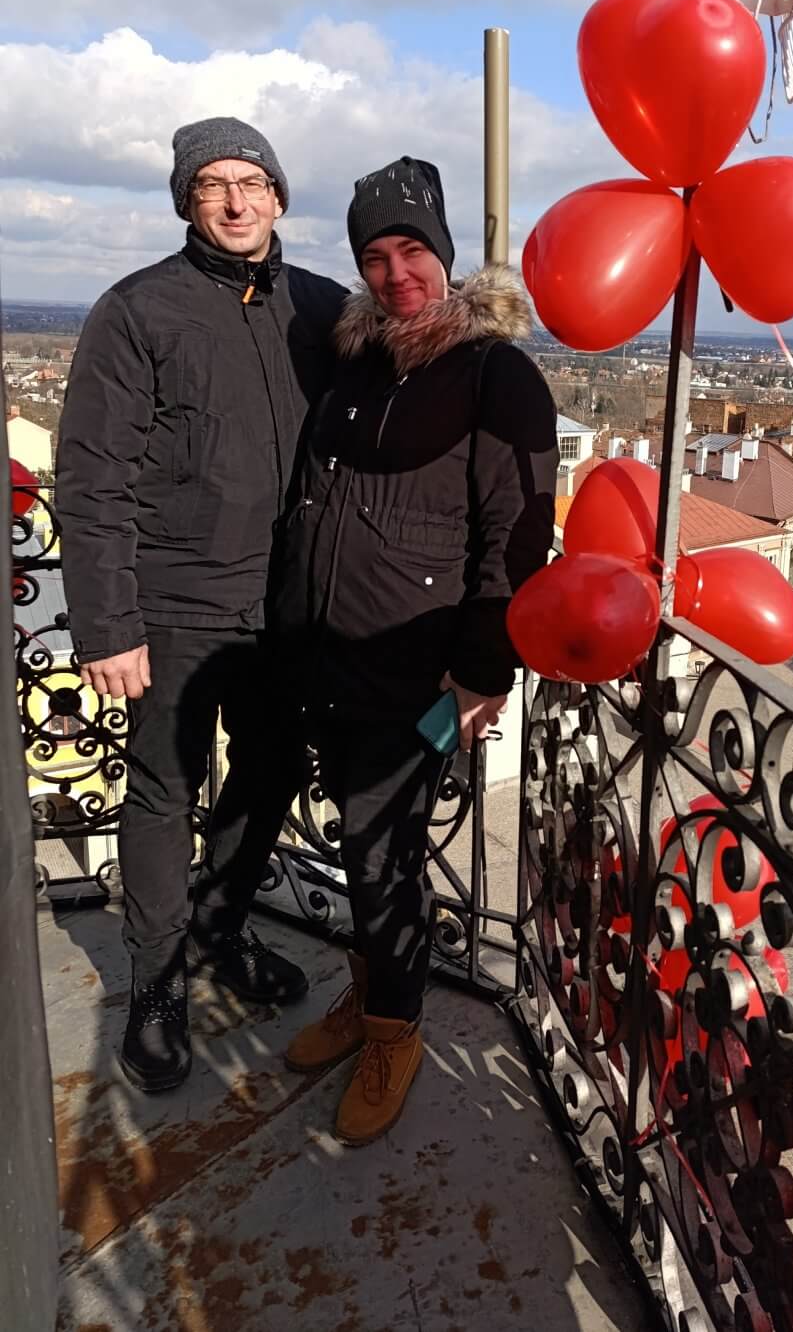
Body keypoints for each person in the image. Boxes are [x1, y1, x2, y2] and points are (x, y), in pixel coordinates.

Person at [56, 118, 348, 1092]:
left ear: (278, 197)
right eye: (213, 184)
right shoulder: (138, 311)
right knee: (160, 794)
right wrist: (109, 626)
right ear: (187, 200)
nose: (233, 201)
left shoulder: (322, 308)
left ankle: (222, 932)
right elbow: (91, 478)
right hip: (172, 605)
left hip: (285, 612)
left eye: (251, 182)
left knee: (263, 782)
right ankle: (158, 984)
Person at [275, 156, 557, 1147]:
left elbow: (516, 531)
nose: (394, 273)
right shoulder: (360, 363)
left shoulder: (495, 373)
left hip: (419, 664)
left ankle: (395, 1031)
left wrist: (485, 666)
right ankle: (370, 996)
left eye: (410, 252)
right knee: (362, 848)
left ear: (443, 258)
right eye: (373, 256)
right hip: (329, 652)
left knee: (383, 852)